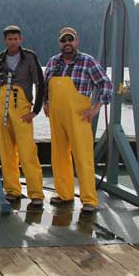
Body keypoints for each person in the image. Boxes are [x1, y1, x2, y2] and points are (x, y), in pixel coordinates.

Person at [43, 26, 113, 212]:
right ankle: (64, 195)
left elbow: (106, 84)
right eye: (63, 40)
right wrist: (45, 103)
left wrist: (96, 107)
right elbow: (44, 86)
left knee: (83, 158)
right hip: (56, 117)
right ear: (60, 43)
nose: (67, 44)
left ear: (77, 41)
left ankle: (89, 200)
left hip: (79, 117)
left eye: (70, 40)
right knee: (59, 157)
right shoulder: (52, 62)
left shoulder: (87, 61)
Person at [0, 25, 46, 206]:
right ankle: (12, 190)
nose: (13, 42)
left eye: (16, 39)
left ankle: (36, 193)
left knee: (27, 151)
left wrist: (36, 110)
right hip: (2, 109)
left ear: (21, 40)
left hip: (22, 108)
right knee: (6, 152)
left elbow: (40, 83)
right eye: (9, 39)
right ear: (5, 41)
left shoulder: (30, 57)